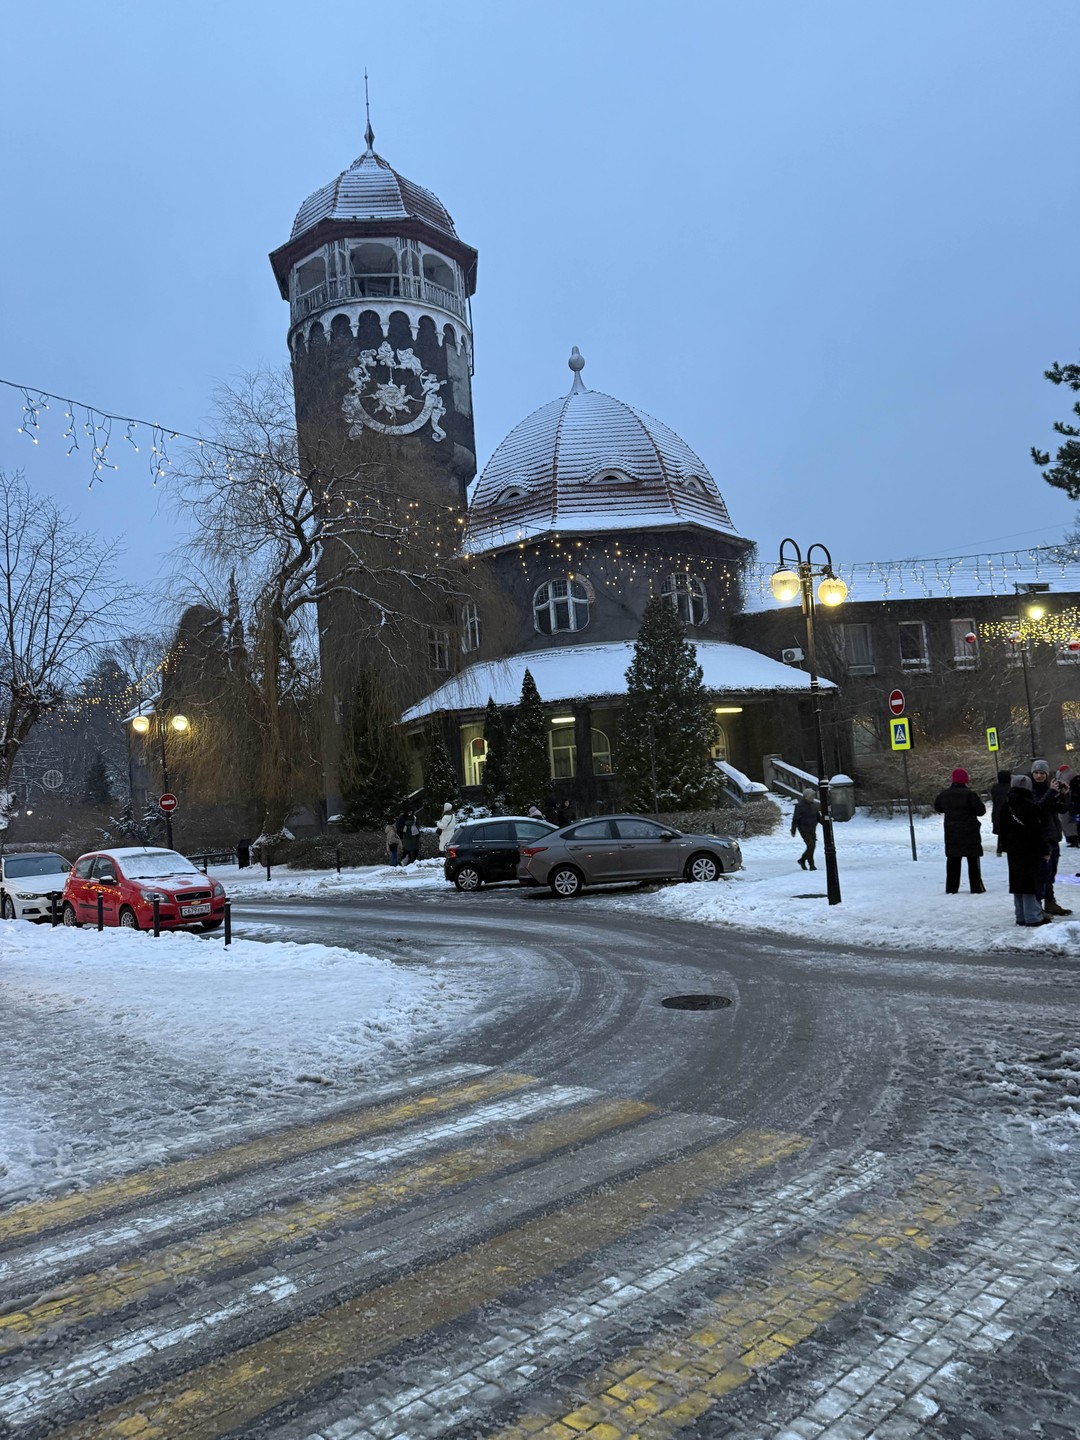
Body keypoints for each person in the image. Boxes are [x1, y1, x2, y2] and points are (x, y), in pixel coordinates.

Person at [998, 775, 1051, 926]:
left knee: (1017, 882)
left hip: (1013, 850)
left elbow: (1002, 828)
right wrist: (1044, 850)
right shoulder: (1029, 805)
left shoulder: (1006, 804)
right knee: (1031, 882)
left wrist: (1005, 846)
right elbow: (1036, 832)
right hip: (1030, 850)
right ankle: (1033, 916)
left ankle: (1020, 915)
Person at [933, 767, 986, 894]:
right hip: (970, 832)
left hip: (952, 832)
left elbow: (938, 807)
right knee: (973, 860)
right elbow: (981, 811)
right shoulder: (970, 794)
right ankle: (976, 887)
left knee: (953, 860)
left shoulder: (944, 794)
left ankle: (951, 888)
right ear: (965, 780)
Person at [1029, 760, 1071, 916]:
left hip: (1052, 835)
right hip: (1040, 838)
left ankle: (1050, 901)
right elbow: (1037, 808)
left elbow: (1062, 808)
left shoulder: (1049, 788)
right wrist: (1051, 792)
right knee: (1042, 873)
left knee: (1051, 873)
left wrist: (1064, 795)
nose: (1039, 776)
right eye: (1036, 773)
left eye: (1042, 773)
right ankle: (1037, 905)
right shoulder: (1030, 789)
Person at [790, 788, 821, 871]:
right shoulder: (799, 806)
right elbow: (795, 819)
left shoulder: (815, 805)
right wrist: (793, 830)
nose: (813, 797)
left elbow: (818, 817)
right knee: (811, 845)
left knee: (812, 846)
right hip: (803, 829)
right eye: (812, 795)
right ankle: (811, 865)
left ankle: (802, 860)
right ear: (807, 796)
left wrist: (826, 824)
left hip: (812, 828)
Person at [989, 768, 1013, 857]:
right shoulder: (1011, 787)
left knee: (1001, 832)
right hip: (1009, 812)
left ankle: (999, 849)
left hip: (997, 812)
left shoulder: (995, 788)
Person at [1058, 765, 1079, 848]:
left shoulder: (1070, 776)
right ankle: (1072, 839)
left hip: (1071, 803)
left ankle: (1073, 839)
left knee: (1070, 822)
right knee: (1069, 822)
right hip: (1068, 803)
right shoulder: (1073, 776)